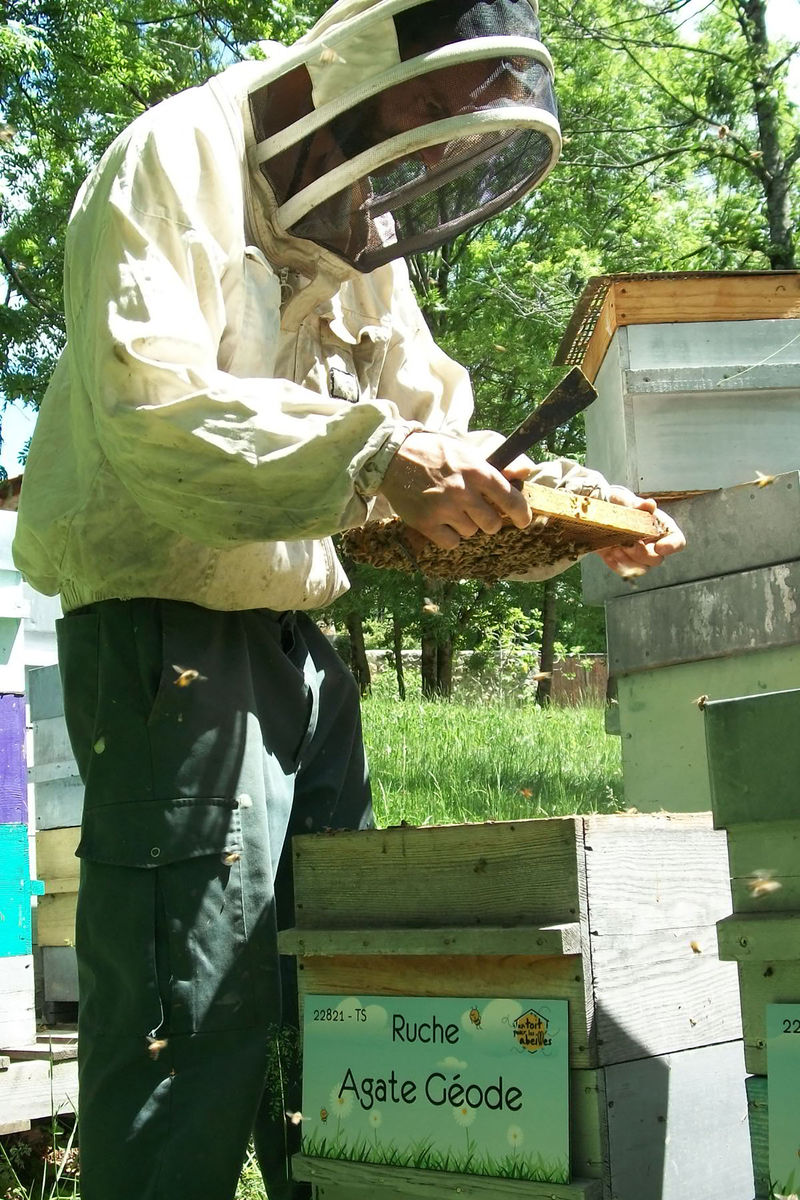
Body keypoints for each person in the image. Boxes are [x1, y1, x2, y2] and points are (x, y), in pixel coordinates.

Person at [13, 2, 684, 1197]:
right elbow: (153, 408)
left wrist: (561, 505)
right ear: (358, 72)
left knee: (335, 987)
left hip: (298, 644)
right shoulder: (175, 156)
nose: (427, 154)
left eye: (450, 132)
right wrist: (376, 460)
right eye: (426, 110)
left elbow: (428, 430)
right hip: (164, 629)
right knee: (190, 1006)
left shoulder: (363, 232)